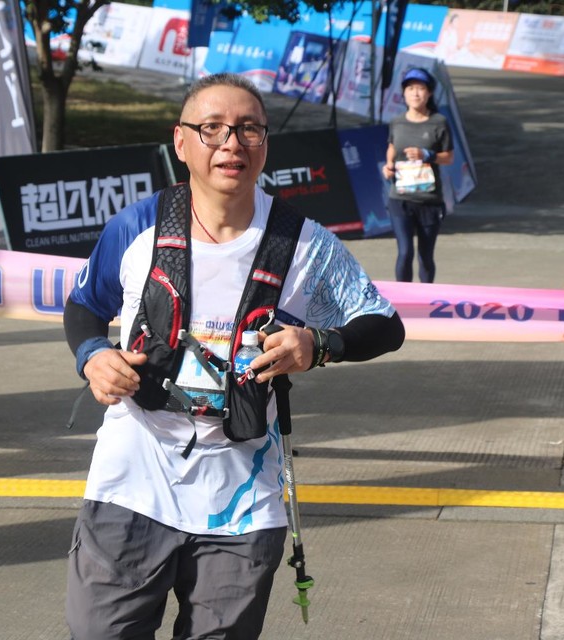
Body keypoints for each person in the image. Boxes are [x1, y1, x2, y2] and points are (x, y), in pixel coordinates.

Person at [63, 72, 405, 640]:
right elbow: (84, 306)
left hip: (242, 497)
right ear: (181, 141)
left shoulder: (305, 244)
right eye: (213, 129)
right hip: (132, 478)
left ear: (265, 143)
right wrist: (94, 355)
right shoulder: (137, 227)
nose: (231, 143)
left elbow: (384, 324)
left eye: (249, 129)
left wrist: (318, 344)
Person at [382, 67, 455, 283]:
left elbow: (449, 157)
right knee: (405, 252)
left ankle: (426, 297)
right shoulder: (396, 122)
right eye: (410, 88)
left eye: (421, 88)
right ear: (404, 93)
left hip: (429, 200)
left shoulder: (439, 122)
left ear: (429, 93)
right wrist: (388, 166)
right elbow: (392, 147)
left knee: (425, 257)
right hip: (400, 199)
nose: (415, 93)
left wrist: (427, 155)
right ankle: (402, 298)